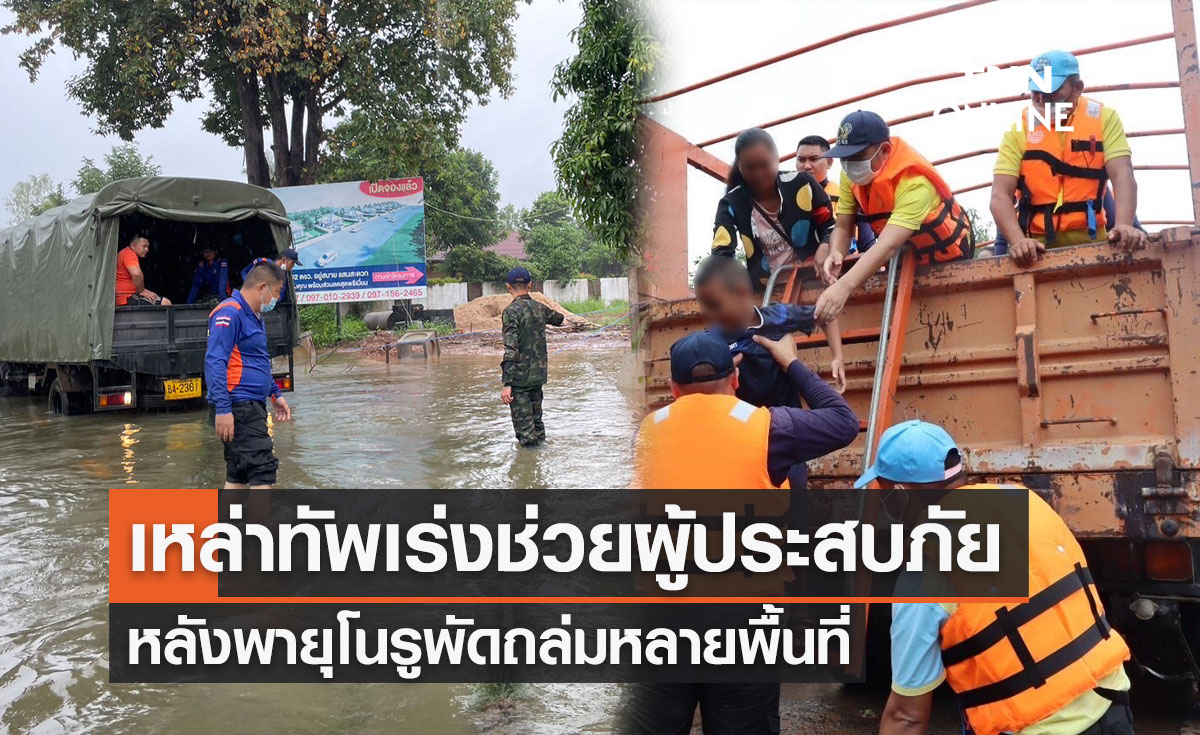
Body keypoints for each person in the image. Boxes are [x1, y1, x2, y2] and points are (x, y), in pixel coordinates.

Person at [859, 420, 1134, 735]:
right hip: (1112, 704)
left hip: (1037, 727)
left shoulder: (924, 572)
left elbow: (906, 718)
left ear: (899, 495)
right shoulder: (1024, 501)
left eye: (881, 491)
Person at [634, 330, 858, 489]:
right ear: (735, 379)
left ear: (673, 389)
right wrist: (790, 362)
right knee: (789, 462)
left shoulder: (644, 434)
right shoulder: (771, 429)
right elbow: (845, 421)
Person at [813, 111, 974, 325]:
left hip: (950, 259)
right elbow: (843, 226)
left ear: (885, 150)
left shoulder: (915, 183)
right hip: (903, 259)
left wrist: (843, 287)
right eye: (845, 157)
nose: (850, 165)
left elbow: (887, 245)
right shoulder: (849, 176)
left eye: (857, 156)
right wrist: (836, 252)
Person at [991, 50, 1147, 267]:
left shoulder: (1104, 118)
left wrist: (1124, 225)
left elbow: (1123, 173)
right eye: (1036, 92)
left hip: (1095, 245)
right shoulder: (1018, 129)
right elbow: (999, 194)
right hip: (1037, 253)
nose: (1043, 100)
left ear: (1078, 89)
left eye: (1051, 91)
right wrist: (1018, 242)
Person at [712, 128, 835, 292]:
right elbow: (722, 254)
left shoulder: (802, 183)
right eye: (750, 167)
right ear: (739, 167)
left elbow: (830, 225)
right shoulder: (731, 203)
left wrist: (825, 245)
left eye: (764, 165)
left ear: (776, 159)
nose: (758, 174)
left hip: (813, 282)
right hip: (767, 292)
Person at [205, 260, 292, 489]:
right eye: (277, 292)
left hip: (250, 405)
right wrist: (223, 409)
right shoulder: (229, 313)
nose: (277, 298)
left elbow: (258, 361)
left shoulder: (254, 316)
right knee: (263, 470)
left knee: (239, 473)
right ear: (262, 287)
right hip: (239, 405)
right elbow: (215, 362)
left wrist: (275, 394)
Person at [500, 266, 564, 447]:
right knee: (537, 425)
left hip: (519, 381)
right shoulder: (539, 308)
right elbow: (558, 318)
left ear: (508, 286)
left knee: (526, 434)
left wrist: (507, 384)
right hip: (537, 377)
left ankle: (529, 463)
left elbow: (511, 349)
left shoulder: (511, 312)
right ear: (530, 285)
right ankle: (540, 459)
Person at [796, 134, 877, 252]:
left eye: (814, 159)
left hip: (844, 261)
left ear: (829, 162)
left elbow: (868, 245)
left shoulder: (848, 197)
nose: (807, 166)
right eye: (801, 160)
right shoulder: (784, 200)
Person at [114, 234, 172, 306]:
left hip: (126, 295)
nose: (146, 249)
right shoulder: (129, 254)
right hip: (126, 297)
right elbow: (136, 274)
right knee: (166, 303)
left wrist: (144, 290)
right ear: (132, 245)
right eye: (144, 246)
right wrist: (142, 291)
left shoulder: (125, 253)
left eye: (147, 247)